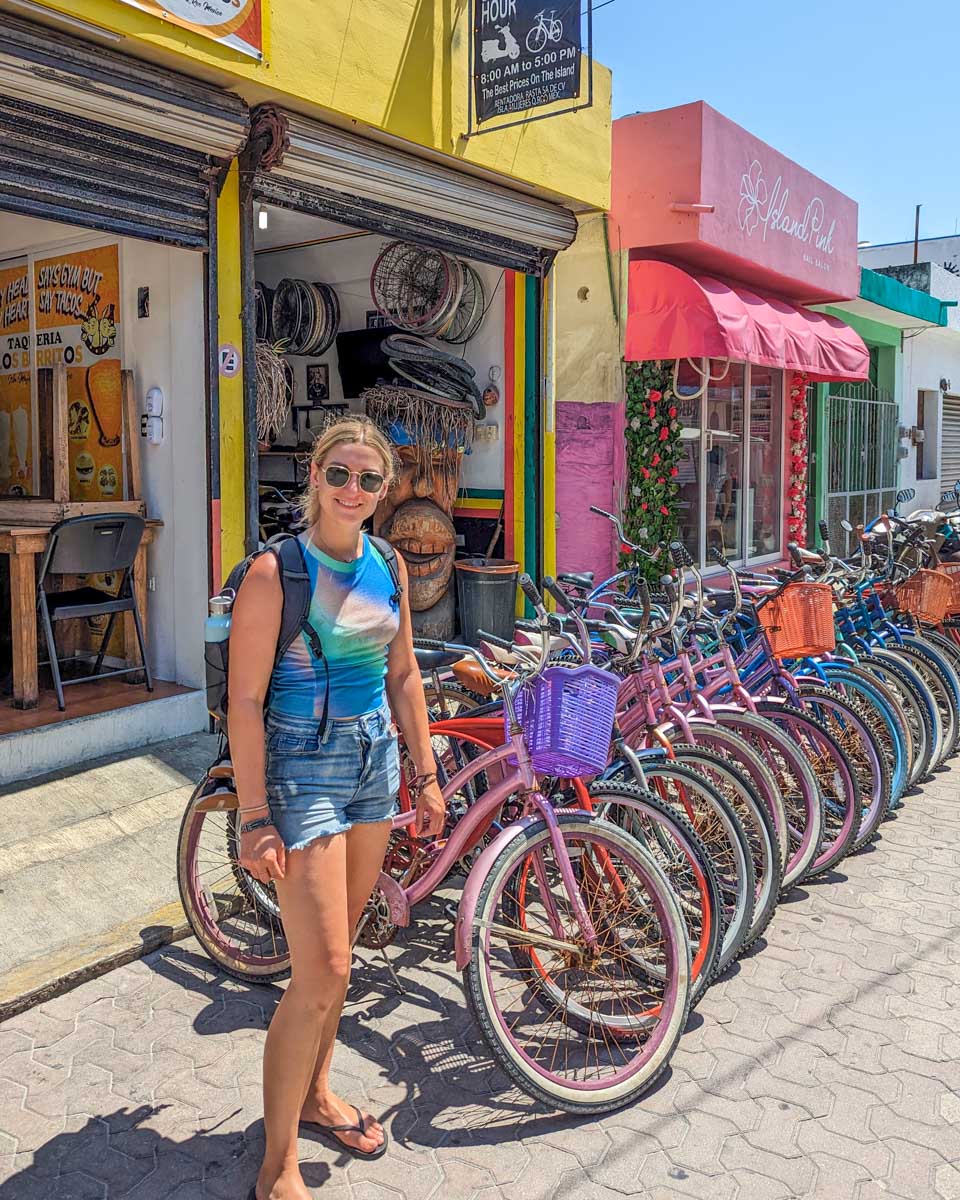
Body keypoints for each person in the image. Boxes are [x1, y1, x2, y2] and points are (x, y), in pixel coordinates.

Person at [230, 417, 445, 1200]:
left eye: (369, 479)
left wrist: (424, 774)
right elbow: (245, 703)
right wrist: (254, 819)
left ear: (384, 491)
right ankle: (276, 1166)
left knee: (343, 956)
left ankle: (317, 1096)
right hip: (301, 768)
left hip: (372, 763)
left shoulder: (386, 561)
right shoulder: (275, 572)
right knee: (318, 968)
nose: (353, 490)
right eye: (340, 474)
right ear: (315, 476)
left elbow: (406, 674)